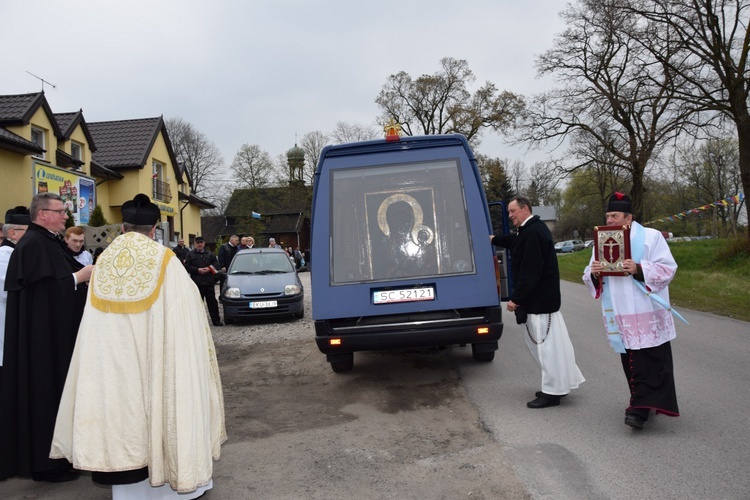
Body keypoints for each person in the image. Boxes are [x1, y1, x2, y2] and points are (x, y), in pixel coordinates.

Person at [51, 193, 226, 499]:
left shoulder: (102, 261)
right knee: (164, 405)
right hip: (157, 363)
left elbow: (92, 324)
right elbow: (188, 322)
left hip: (114, 372)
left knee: (124, 420)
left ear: (122, 227)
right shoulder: (166, 260)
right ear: (154, 228)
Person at [0, 193, 93, 483]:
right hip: (41, 343)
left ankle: (59, 458)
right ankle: (47, 464)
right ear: (42, 214)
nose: (66, 216)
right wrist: (82, 277)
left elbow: (61, 275)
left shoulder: (46, 241)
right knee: (43, 395)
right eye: (60, 211)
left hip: (53, 336)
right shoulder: (35, 245)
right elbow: (46, 292)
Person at [583, 192, 680, 429]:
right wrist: (594, 272)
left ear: (628, 217)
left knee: (650, 359)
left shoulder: (651, 237)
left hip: (647, 309)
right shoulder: (602, 239)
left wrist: (638, 268)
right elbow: (589, 271)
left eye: (614, 215)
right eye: (607, 216)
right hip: (621, 311)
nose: (610, 220)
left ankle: (638, 409)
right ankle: (642, 402)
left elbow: (668, 268)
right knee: (630, 359)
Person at [490, 196, 585, 409]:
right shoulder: (532, 229)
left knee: (545, 349)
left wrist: (516, 299)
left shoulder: (532, 232)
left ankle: (552, 392)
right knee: (551, 347)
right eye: (509, 212)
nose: (510, 216)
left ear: (525, 209)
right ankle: (559, 385)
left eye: (513, 211)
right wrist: (494, 239)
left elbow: (530, 272)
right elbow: (515, 241)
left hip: (540, 304)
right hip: (544, 302)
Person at [0, 207, 31, 386]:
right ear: (12, 232)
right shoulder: (5, 257)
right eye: (27, 232)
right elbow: (10, 293)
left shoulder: (14, 254)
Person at [185, 236, 223, 326]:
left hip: (209, 282)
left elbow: (217, 265)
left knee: (212, 303)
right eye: (198, 243)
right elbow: (187, 266)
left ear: (204, 244)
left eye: (201, 243)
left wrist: (209, 269)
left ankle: (216, 321)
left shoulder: (210, 254)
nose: (199, 244)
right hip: (197, 283)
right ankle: (198, 323)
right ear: (195, 244)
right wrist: (197, 270)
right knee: (197, 304)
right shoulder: (190, 254)